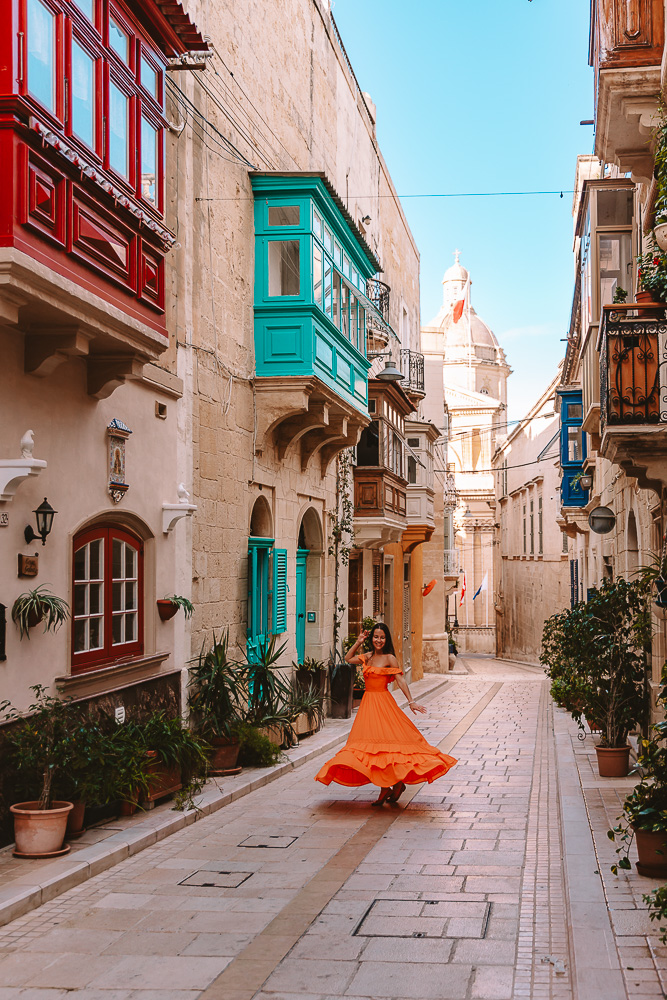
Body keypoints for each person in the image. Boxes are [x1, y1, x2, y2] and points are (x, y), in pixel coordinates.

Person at [315, 622, 457, 805]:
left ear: (386, 639)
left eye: (382, 637)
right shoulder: (367, 657)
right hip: (368, 706)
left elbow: (401, 680)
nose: (378, 640)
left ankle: (390, 787)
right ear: (371, 638)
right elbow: (348, 658)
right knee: (373, 750)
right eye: (375, 637)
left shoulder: (390, 658)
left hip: (384, 705)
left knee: (387, 748)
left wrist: (411, 701)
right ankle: (390, 786)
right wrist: (358, 641)